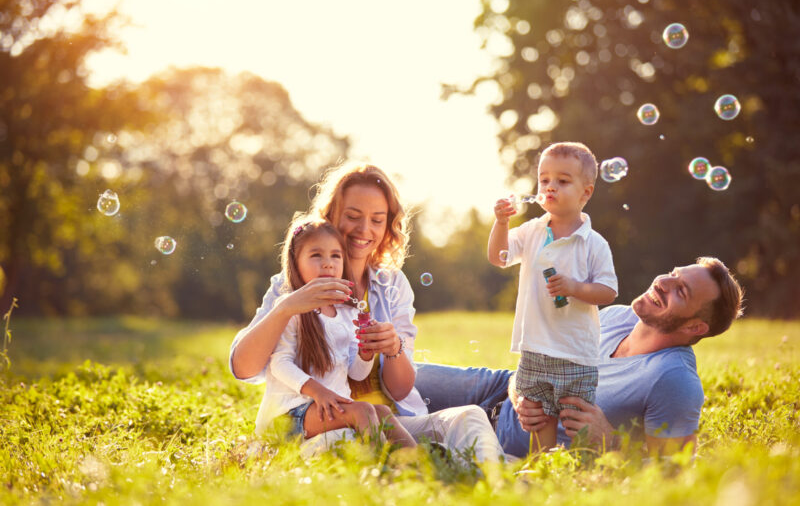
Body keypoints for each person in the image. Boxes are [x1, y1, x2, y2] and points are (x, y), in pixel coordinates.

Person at [230, 162, 504, 462]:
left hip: (390, 420)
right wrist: (285, 308)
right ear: (330, 216)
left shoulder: (392, 284)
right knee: (355, 447)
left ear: (388, 225)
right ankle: (417, 470)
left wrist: (392, 348)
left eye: (377, 220)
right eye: (353, 216)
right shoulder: (294, 284)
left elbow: (398, 391)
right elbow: (244, 369)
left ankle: (497, 482)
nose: (364, 230)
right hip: (323, 424)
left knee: (469, 417)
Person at [414, 257, 744, 457]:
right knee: (392, 374)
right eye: (673, 273)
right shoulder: (617, 316)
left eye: (681, 291)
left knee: (390, 428)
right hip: (497, 388)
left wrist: (610, 442)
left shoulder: (674, 379)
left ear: (696, 326)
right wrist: (519, 389)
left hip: (503, 439)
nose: (663, 283)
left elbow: (673, 474)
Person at [488, 142, 617, 451]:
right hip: (534, 346)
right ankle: (543, 466)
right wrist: (502, 223)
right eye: (544, 179)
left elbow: (608, 291)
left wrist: (574, 288)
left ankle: (585, 468)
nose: (550, 187)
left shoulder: (593, 243)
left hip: (575, 351)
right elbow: (499, 256)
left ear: (585, 193)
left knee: (577, 418)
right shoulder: (532, 230)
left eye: (562, 181)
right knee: (538, 416)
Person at [261, 218, 415, 448]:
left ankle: (419, 463)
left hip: (327, 408)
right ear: (295, 262)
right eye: (316, 255)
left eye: (335, 256)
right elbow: (279, 363)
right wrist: (319, 392)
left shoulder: (346, 314)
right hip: (288, 414)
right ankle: (381, 470)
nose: (328, 264)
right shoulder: (290, 308)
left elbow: (356, 374)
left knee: (382, 412)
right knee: (363, 410)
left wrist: (365, 353)